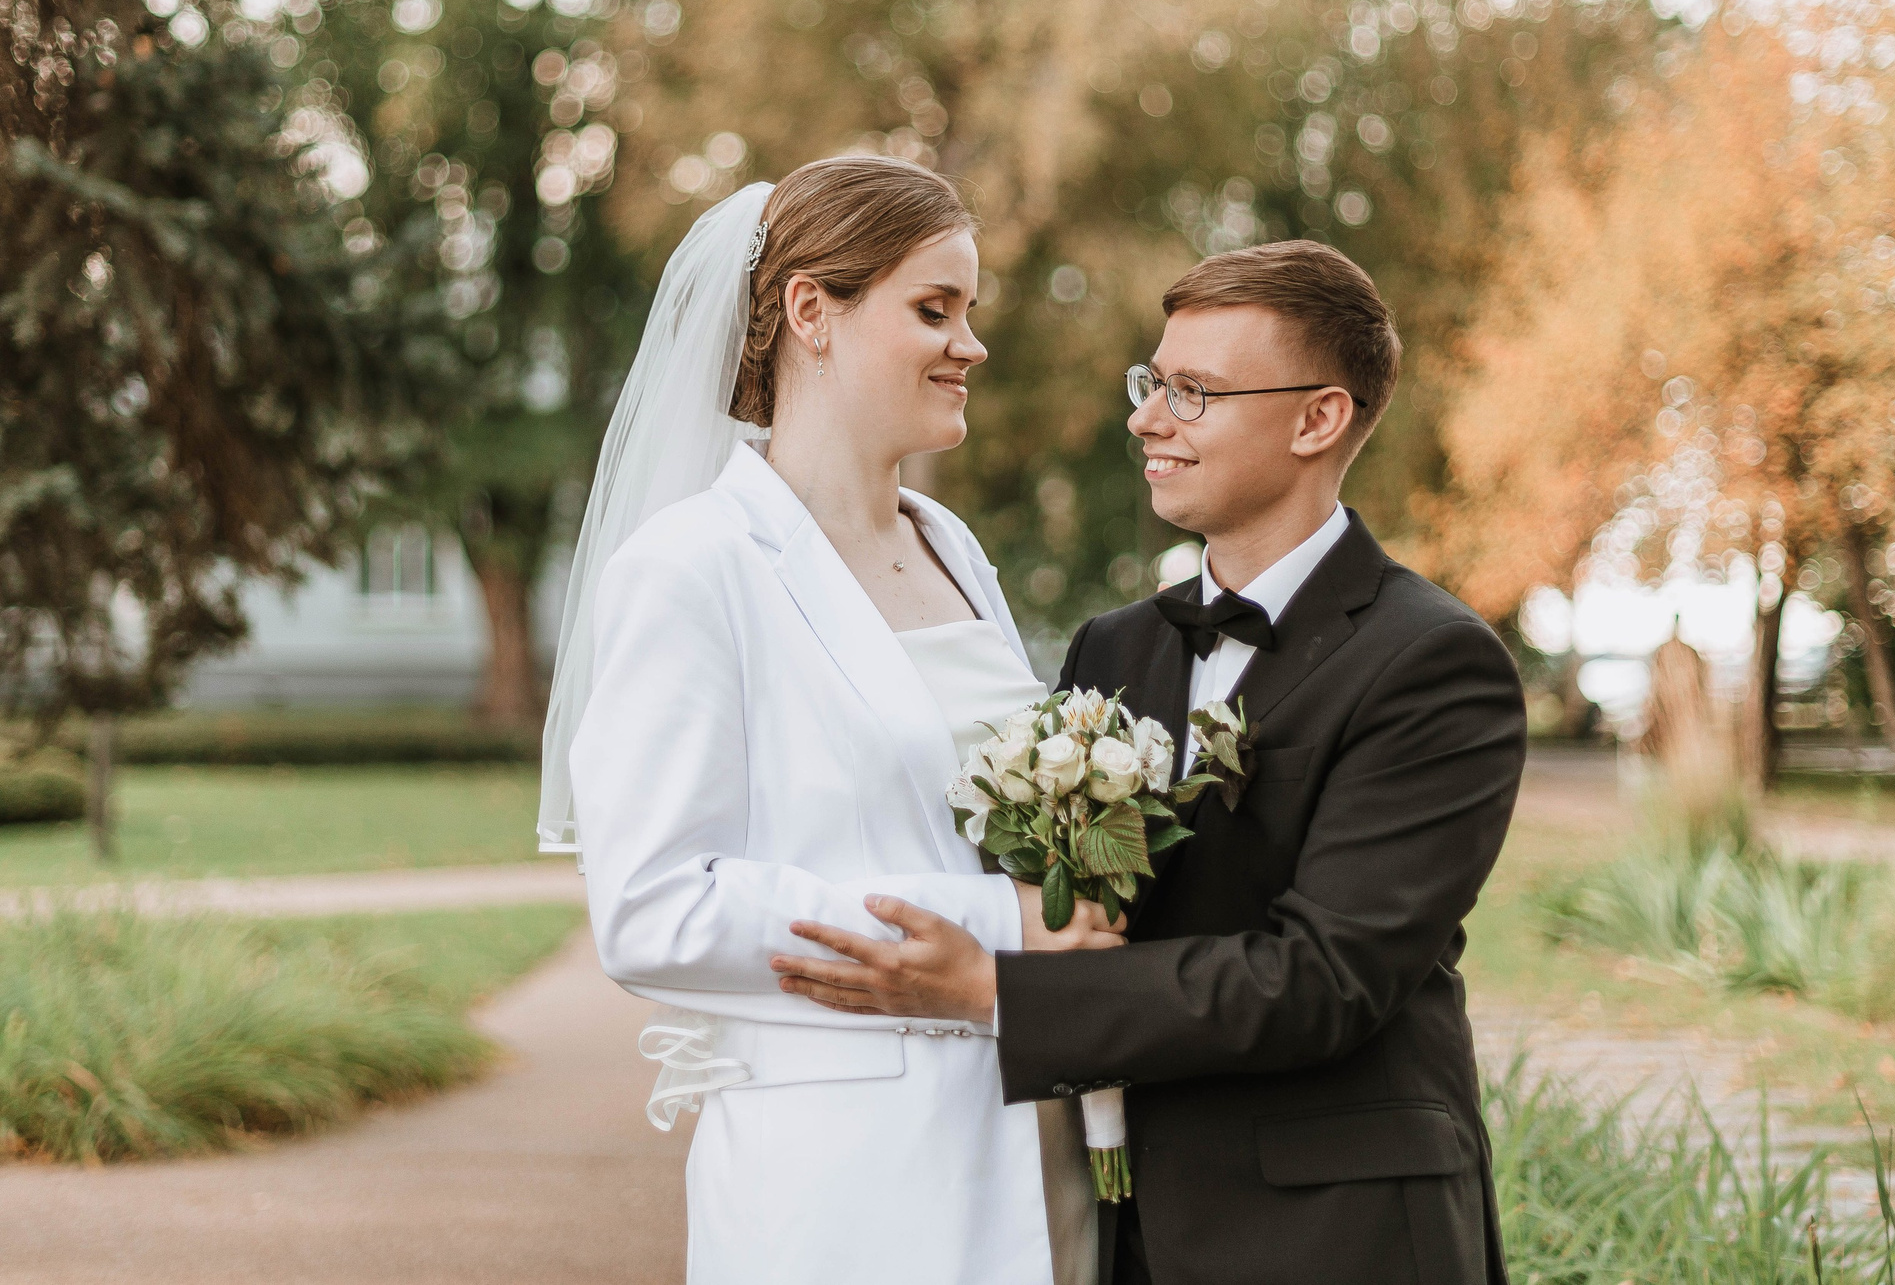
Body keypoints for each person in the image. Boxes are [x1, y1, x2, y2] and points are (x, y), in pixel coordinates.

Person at [773, 240, 1529, 1285]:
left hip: (1337, 1229)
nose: (1145, 418)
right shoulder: (1112, 649)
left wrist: (995, 992)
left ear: (1318, 419)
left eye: (1194, 392)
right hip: (1123, 1227)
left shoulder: (1434, 662)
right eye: (1151, 382)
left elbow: (1326, 979)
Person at [546, 158, 1115, 1285]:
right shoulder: (691, 567)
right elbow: (654, 907)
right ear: (813, 311)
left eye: (970, 313)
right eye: (933, 309)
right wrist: (998, 921)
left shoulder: (952, 549)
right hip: (849, 1179)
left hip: (1036, 1137)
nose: (970, 344)